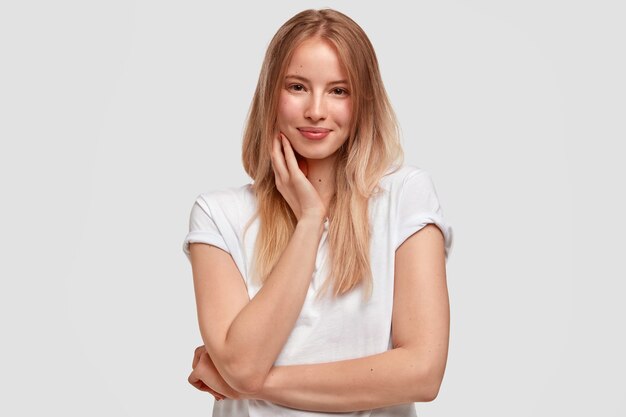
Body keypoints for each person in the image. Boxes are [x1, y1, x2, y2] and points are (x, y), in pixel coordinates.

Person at [182, 8, 454, 416]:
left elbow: (422, 373)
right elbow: (242, 363)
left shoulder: (404, 196)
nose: (315, 110)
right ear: (271, 93)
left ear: (363, 101)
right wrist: (310, 220)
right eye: (297, 87)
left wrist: (249, 383)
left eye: (338, 91)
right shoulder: (219, 214)